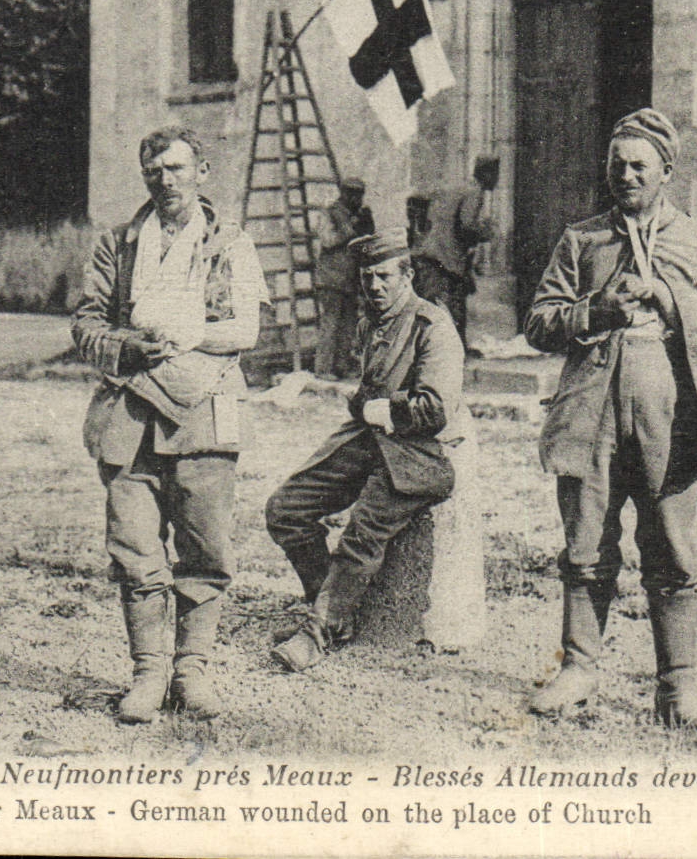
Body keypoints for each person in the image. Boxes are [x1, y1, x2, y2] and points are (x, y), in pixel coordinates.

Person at [523, 108, 697, 731]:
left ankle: (678, 689)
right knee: (585, 544)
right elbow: (538, 324)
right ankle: (578, 669)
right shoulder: (581, 242)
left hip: (672, 415)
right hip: (593, 414)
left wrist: (668, 298)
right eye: (618, 165)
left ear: (668, 171)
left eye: (640, 165)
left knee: (671, 548)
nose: (626, 175)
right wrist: (594, 311)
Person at [71, 127, 266, 723]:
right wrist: (128, 347)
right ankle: (148, 673)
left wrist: (191, 336)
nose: (166, 180)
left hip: (206, 411)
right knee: (134, 550)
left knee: (205, 548)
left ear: (202, 171)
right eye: (154, 171)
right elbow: (86, 325)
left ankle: (192, 671)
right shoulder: (119, 245)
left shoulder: (230, 243)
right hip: (129, 413)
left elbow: (247, 331)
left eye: (178, 168)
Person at [264, 227, 472, 672]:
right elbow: (366, 395)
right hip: (371, 441)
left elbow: (434, 409)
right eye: (367, 279)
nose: (374, 287)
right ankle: (328, 609)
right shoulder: (370, 325)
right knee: (286, 508)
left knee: (362, 533)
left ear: (408, 275)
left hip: (419, 454)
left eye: (383, 277)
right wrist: (364, 406)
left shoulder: (431, 326)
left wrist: (381, 408)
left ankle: (318, 632)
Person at [409, 159, 498, 348]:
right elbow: (467, 226)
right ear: (487, 174)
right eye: (495, 174)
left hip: (432, 254)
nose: (497, 180)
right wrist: (486, 232)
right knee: (447, 307)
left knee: (436, 306)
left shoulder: (457, 187)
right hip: (445, 259)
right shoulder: (475, 192)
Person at [312, 178, 373, 379]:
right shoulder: (329, 213)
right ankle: (323, 369)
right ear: (343, 193)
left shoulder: (360, 215)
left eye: (359, 194)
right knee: (331, 323)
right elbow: (328, 241)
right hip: (330, 278)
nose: (357, 199)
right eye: (352, 194)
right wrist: (350, 228)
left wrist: (367, 228)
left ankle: (342, 366)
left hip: (350, 279)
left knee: (348, 324)